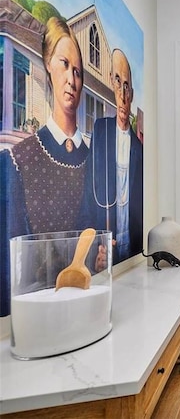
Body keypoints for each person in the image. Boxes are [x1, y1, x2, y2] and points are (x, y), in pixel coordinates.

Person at [0, 17, 86, 316]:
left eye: (78, 71)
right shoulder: (18, 159)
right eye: (64, 64)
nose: (72, 80)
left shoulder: (96, 158)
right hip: (38, 313)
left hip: (87, 301)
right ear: (48, 65)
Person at [79, 48, 143, 268]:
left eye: (127, 86)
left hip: (132, 250)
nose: (123, 94)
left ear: (132, 94)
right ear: (110, 82)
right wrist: (96, 241)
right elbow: (89, 193)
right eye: (118, 81)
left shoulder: (139, 148)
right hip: (106, 247)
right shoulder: (101, 130)